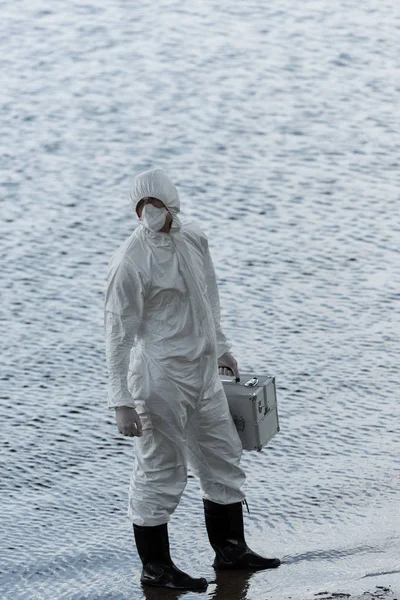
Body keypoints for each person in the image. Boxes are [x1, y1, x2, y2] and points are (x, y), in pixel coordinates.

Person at [104, 168, 281, 592]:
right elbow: (117, 333)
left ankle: (231, 549)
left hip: (202, 372)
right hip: (159, 378)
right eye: (142, 206)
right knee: (160, 470)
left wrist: (220, 347)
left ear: (172, 203)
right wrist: (122, 401)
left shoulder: (192, 239)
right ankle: (156, 568)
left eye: (156, 204)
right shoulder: (131, 260)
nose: (149, 212)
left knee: (221, 455)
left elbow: (209, 294)